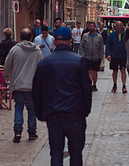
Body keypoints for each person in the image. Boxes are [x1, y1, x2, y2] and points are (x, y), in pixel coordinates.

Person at [32, 27, 92, 166]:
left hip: (54, 114)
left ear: (54, 43)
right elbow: (86, 89)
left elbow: (36, 91)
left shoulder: (44, 63)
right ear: (70, 42)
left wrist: (40, 114)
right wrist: (85, 110)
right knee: (76, 153)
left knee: (56, 153)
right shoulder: (79, 61)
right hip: (75, 114)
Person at [4, 27, 43, 142]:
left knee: (19, 107)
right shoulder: (37, 51)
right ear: (31, 38)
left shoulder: (15, 50)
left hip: (18, 84)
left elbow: (7, 65)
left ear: (20, 38)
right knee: (32, 109)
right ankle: (32, 132)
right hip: (32, 85)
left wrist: (6, 76)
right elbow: (41, 68)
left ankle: (17, 131)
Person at [105, 21, 127, 93]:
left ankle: (124, 86)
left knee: (123, 70)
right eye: (118, 25)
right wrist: (108, 54)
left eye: (121, 25)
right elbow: (108, 45)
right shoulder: (111, 35)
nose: (119, 27)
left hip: (123, 55)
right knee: (115, 71)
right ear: (115, 26)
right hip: (114, 55)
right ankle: (114, 85)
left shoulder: (126, 34)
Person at [81, 21, 103, 91]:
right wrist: (82, 55)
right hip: (87, 56)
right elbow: (82, 46)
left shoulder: (99, 37)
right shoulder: (85, 36)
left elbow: (101, 47)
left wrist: (101, 56)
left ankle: (94, 84)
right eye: (90, 26)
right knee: (90, 71)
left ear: (95, 27)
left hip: (96, 57)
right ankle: (90, 84)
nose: (91, 28)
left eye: (93, 26)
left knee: (95, 72)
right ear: (88, 27)